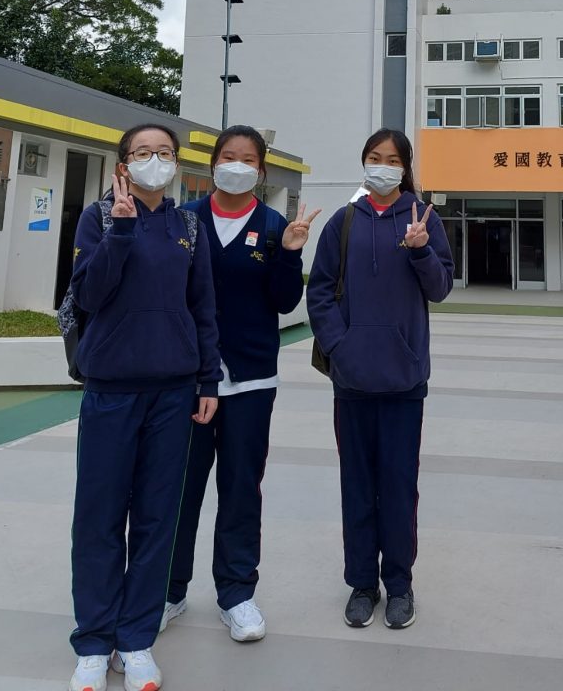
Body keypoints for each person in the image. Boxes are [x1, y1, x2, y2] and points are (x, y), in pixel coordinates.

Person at [68, 125, 221, 691]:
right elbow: (88, 296)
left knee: (157, 518)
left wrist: (207, 377)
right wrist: (124, 232)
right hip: (110, 388)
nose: (154, 160)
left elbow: (202, 305)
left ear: (176, 163)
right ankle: (92, 640)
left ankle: (135, 640)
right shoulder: (99, 219)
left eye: (164, 152)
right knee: (99, 517)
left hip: (174, 390)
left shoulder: (188, 226)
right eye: (142, 152)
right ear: (123, 164)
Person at [162, 125, 319, 643]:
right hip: (188, 379)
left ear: (261, 169)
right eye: (227, 156)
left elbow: (281, 302)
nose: (236, 165)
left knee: (240, 487)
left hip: (251, 378)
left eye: (247, 159)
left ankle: (236, 592)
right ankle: (168, 590)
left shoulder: (274, 225)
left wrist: (292, 252)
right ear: (212, 165)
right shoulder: (183, 220)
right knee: (179, 487)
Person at [306, 128, 453, 630]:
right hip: (351, 380)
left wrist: (419, 250)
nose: (383, 166)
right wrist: (340, 347)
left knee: (398, 485)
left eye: (393, 159)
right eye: (375, 157)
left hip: (404, 380)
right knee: (357, 483)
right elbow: (321, 292)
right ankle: (361, 584)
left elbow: (440, 289)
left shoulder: (425, 219)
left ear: (405, 167)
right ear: (363, 162)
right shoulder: (344, 222)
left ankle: (400, 584)